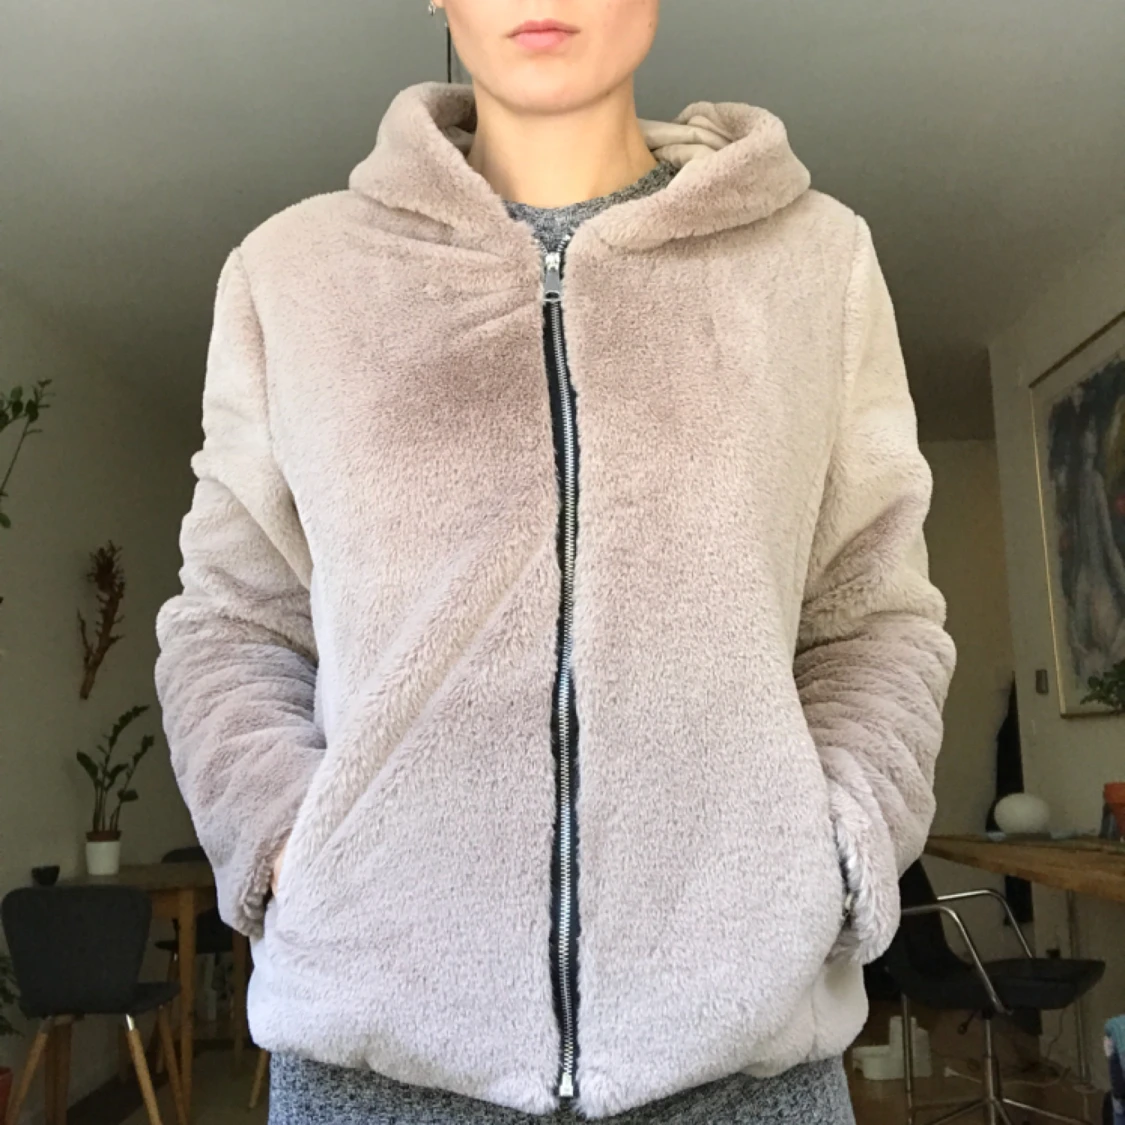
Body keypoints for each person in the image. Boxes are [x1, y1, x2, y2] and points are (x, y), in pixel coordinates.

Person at [154, 1, 957, 1122]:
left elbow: (871, 615)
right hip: (375, 1067)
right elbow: (233, 623)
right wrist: (295, 849)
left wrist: (829, 854)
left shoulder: (816, 262)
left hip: (743, 1067)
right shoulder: (291, 274)